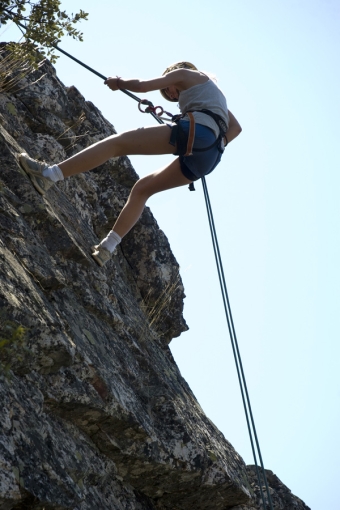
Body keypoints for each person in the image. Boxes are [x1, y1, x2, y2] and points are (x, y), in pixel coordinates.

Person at [19, 61, 242, 266]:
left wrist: (119, 83)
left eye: (169, 90)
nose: (171, 94)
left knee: (117, 144)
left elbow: (144, 86)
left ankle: (49, 175)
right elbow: (236, 129)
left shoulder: (184, 73)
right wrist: (210, 142)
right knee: (142, 189)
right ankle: (107, 248)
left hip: (196, 133)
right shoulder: (216, 97)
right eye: (168, 94)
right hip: (210, 157)